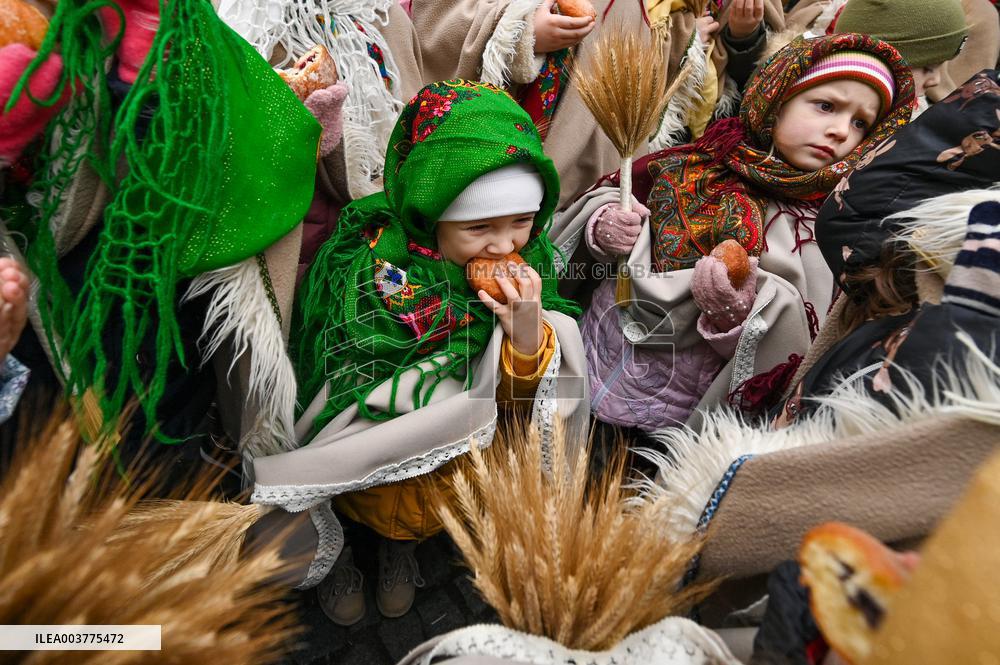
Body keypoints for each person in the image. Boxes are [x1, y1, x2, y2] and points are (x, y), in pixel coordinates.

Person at [247, 80, 589, 625]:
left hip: (448, 467)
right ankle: (339, 553)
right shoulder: (374, 274)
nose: (505, 245)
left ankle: (398, 551)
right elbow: (337, 378)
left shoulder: (535, 271)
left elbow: (521, 402)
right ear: (431, 216)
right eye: (479, 227)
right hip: (372, 461)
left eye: (522, 222)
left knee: (419, 517)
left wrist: (526, 336)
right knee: (360, 492)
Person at [551, 33, 913, 433]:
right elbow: (602, 222)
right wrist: (602, 229)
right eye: (826, 106)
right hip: (585, 368)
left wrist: (735, 316)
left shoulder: (823, 230)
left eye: (861, 123)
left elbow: (790, 352)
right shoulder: (688, 165)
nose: (841, 130)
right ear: (777, 99)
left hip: (670, 420)